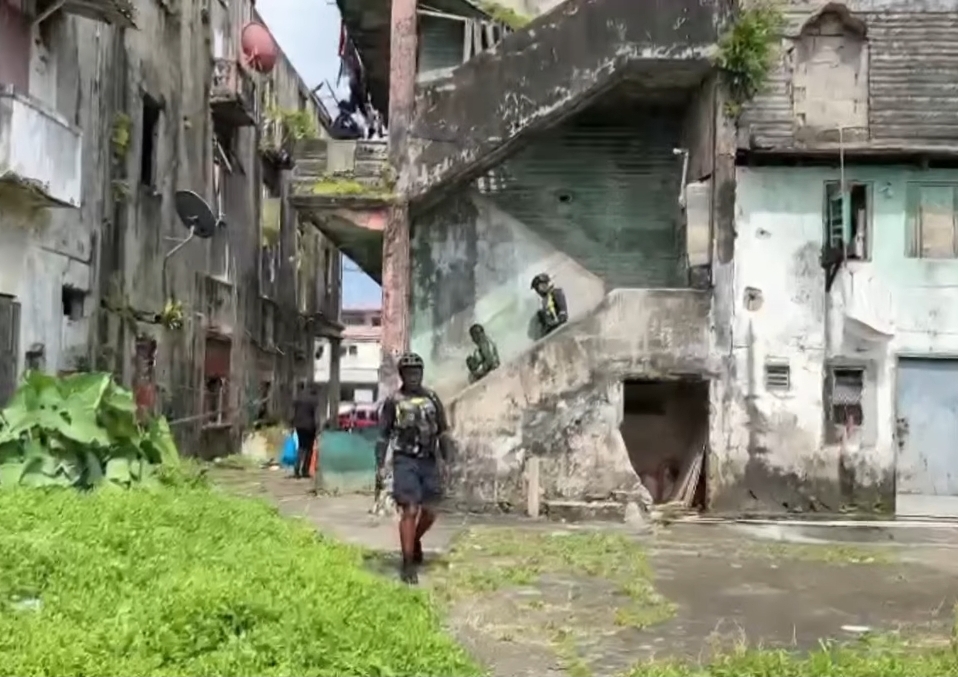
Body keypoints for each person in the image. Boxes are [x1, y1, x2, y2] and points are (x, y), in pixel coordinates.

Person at [375, 352, 452, 584]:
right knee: (409, 510)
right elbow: (383, 435)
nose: (413, 377)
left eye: (417, 372)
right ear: (402, 375)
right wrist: (379, 465)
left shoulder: (432, 398)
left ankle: (415, 539)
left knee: (430, 511)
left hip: (428, 459)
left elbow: (443, 430)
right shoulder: (393, 401)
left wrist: (447, 459)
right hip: (404, 460)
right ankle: (408, 563)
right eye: (409, 373)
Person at [291, 382, 319, 479]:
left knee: (301, 448)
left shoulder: (299, 398)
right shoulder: (314, 400)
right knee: (309, 449)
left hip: (299, 426)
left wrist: (293, 423)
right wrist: (318, 428)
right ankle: (305, 470)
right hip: (309, 427)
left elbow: (293, 410)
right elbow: (316, 416)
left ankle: (296, 469)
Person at [531, 272, 568, 337]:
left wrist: (555, 323)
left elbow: (563, 313)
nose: (537, 291)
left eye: (538, 287)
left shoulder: (556, 293)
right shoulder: (543, 301)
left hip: (560, 331)